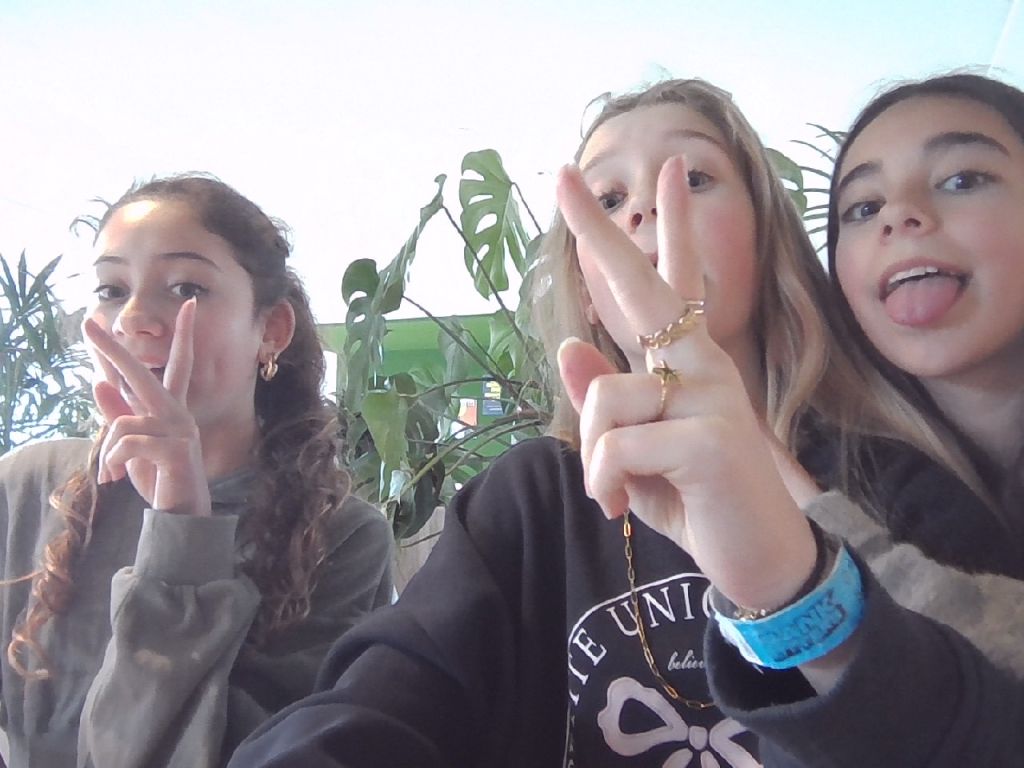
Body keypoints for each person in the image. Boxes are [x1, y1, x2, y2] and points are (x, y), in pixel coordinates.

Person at [230, 77, 1024, 768]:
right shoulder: (530, 500)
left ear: (767, 239)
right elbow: (381, 698)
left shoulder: (895, 469)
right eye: (607, 200)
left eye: (694, 178)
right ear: (585, 282)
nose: (646, 207)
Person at [0, 175, 394, 768]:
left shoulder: (341, 537)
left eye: (187, 288)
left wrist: (181, 526)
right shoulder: (29, 485)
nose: (134, 319)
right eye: (111, 289)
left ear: (271, 330)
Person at [705, 72, 1024, 766]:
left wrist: (814, 555)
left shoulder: (803, 492)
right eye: (862, 206)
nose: (899, 215)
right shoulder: (832, 465)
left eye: (962, 179)